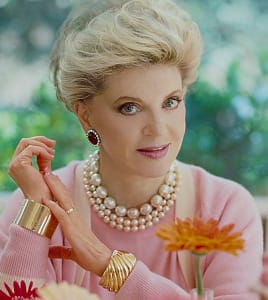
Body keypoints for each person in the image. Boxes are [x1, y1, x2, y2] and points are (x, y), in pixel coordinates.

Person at [0, 0, 263, 299]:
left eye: (171, 102)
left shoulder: (225, 207)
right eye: (130, 107)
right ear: (85, 115)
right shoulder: (38, 205)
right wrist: (35, 212)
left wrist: (108, 264)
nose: (158, 129)